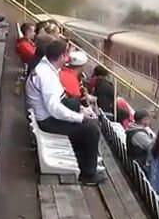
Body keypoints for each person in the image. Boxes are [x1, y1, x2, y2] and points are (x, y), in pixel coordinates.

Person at [25, 39, 107, 185]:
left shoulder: (47, 66)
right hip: (47, 121)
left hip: (47, 114)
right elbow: (54, 109)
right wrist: (79, 117)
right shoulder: (47, 76)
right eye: (67, 54)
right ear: (62, 57)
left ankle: (87, 160)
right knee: (91, 128)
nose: (69, 58)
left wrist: (78, 109)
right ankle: (88, 174)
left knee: (83, 116)